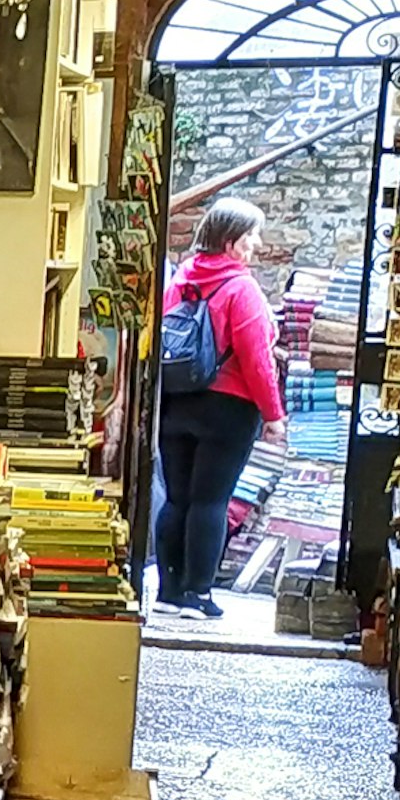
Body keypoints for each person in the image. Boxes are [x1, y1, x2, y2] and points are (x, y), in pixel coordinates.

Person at [155, 196, 286, 618]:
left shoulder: (180, 281)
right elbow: (256, 360)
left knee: (177, 499)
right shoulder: (241, 289)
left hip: (177, 403)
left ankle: (169, 592)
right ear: (232, 242)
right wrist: (273, 416)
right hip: (228, 409)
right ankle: (199, 594)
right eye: (252, 235)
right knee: (211, 501)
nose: (258, 244)